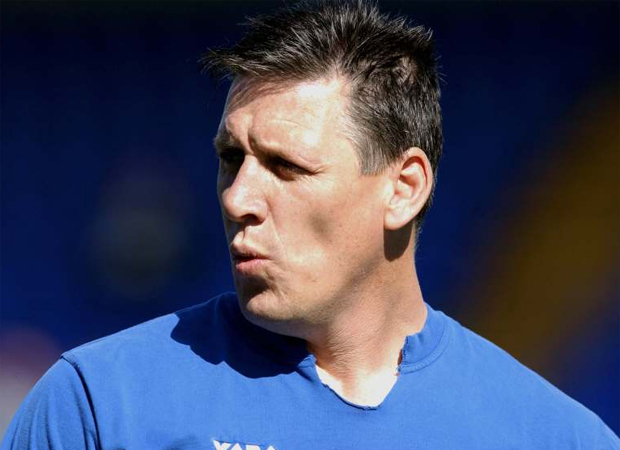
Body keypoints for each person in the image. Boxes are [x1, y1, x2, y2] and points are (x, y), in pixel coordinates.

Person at [2, 1, 618, 449]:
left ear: (404, 189)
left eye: (286, 166)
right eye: (231, 159)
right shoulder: (99, 405)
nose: (238, 197)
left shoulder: (555, 436)